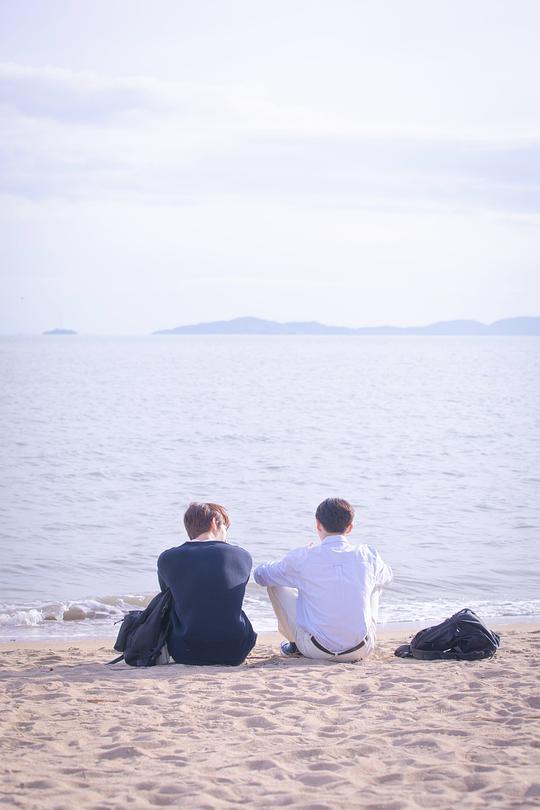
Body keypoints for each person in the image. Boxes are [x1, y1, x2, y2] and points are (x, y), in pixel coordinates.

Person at [253, 497, 392, 661]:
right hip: (362, 649)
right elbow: (388, 576)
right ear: (350, 528)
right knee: (376, 580)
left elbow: (260, 575)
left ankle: (294, 644)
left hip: (316, 649)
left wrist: (293, 561)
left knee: (275, 582)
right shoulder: (367, 554)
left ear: (318, 525)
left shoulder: (304, 557)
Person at [158, 502, 256, 666]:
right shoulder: (241, 555)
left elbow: (167, 595)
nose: (226, 533)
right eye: (225, 527)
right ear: (213, 523)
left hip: (184, 651)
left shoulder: (167, 558)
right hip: (235, 650)